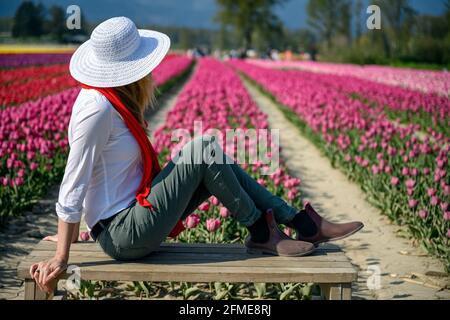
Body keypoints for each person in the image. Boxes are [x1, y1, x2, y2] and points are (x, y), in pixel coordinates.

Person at [29, 17, 363, 293]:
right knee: (202, 149)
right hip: (123, 234)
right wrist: (62, 255)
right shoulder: (97, 109)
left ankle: (300, 223)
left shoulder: (112, 101)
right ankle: (264, 232)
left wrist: (70, 234)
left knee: (211, 156)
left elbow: (98, 178)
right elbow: (75, 181)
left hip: (133, 216)